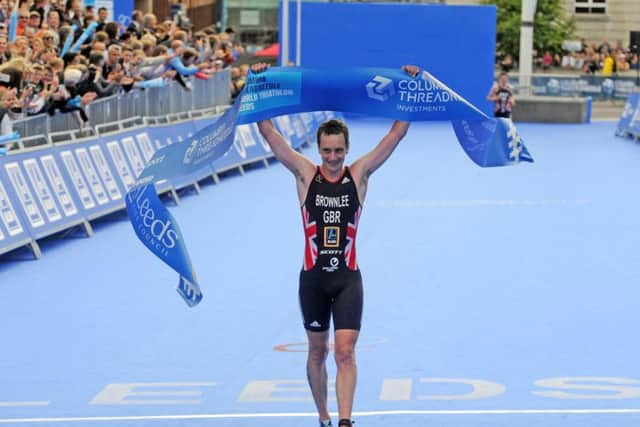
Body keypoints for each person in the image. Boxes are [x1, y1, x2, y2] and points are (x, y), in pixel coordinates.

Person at [252, 62, 419, 427]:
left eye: (338, 151)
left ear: (346, 148)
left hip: (347, 280)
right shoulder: (304, 174)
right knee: (316, 353)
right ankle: (324, 416)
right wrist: (259, 81)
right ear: (318, 149)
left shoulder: (358, 175)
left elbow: (396, 134)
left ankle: (345, 421)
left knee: (344, 352)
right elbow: (269, 132)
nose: (332, 158)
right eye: (327, 151)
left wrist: (408, 85)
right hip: (312, 279)